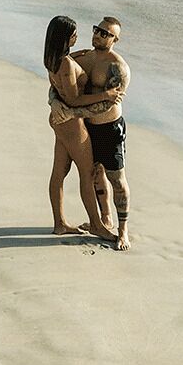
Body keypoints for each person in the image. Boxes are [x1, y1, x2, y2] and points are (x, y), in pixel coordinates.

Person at [52, 17, 132, 251]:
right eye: (97, 30)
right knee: (95, 174)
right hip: (87, 128)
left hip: (109, 129)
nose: (99, 35)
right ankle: (104, 220)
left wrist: (71, 113)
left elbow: (107, 104)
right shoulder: (82, 57)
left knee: (117, 180)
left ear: (115, 40)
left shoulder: (118, 68)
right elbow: (59, 83)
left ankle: (123, 231)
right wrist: (54, 101)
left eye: (106, 34)